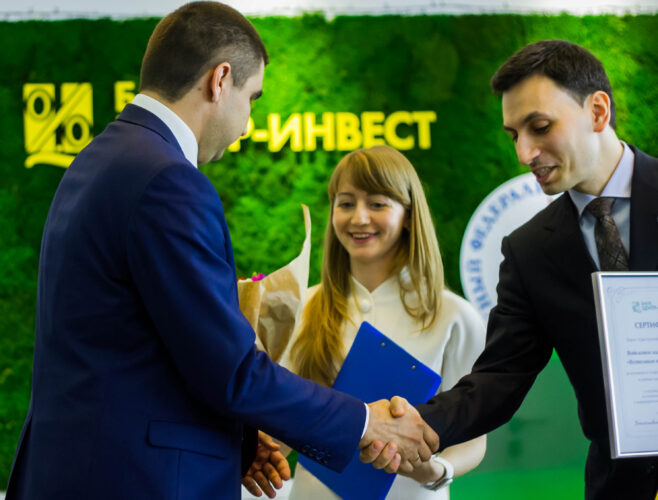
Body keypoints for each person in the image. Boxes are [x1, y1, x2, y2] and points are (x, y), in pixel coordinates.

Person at [4, 3, 439, 499]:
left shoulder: (96, 161)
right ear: (220, 80)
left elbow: (144, 352)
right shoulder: (169, 181)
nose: (248, 123)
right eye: (251, 99)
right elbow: (231, 372)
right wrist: (365, 422)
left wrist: (239, 441)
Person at [361, 40, 658, 499]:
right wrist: (421, 424)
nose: (524, 153)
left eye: (539, 127)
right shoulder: (529, 250)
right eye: (513, 134)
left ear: (598, 111)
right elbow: (499, 378)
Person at [281, 145, 487, 499]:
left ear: (408, 215)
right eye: (346, 204)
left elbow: (473, 438)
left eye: (377, 204)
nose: (359, 218)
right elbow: (280, 417)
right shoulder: (302, 306)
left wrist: (436, 470)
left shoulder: (455, 317)